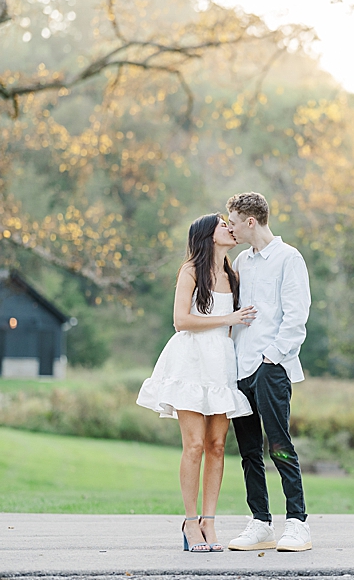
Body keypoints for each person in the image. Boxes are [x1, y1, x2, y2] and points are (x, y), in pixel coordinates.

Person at [136, 213, 256, 553]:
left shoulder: (233, 275)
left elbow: (235, 328)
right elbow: (180, 321)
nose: (230, 229)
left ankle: (209, 521)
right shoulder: (191, 271)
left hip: (221, 362)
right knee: (194, 445)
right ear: (207, 235)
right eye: (223, 225)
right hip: (190, 361)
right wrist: (229, 318)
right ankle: (190, 523)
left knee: (217, 445)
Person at [225, 192, 313, 552]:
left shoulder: (288, 258)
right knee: (248, 450)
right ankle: (261, 522)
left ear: (250, 221)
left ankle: (298, 523)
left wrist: (271, 358)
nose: (229, 227)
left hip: (271, 367)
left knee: (279, 444)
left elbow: (296, 315)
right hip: (240, 369)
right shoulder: (242, 261)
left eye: (232, 220)